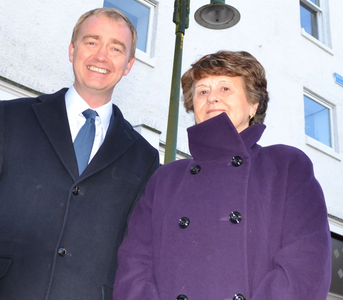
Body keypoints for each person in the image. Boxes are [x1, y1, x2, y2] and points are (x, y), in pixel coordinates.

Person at [0, 8, 159, 300]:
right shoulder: (12, 117)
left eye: (115, 48)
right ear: (72, 50)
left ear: (128, 64)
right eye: (91, 42)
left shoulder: (144, 157)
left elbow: (132, 247)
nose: (101, 56)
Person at [114, 50, 331, 300]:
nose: (212, 98)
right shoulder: (165, 179)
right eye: (203, 91)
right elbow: (134, 266)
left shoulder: (286, 167)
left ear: (253, 104)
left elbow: (305, 267)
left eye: (225, 88)